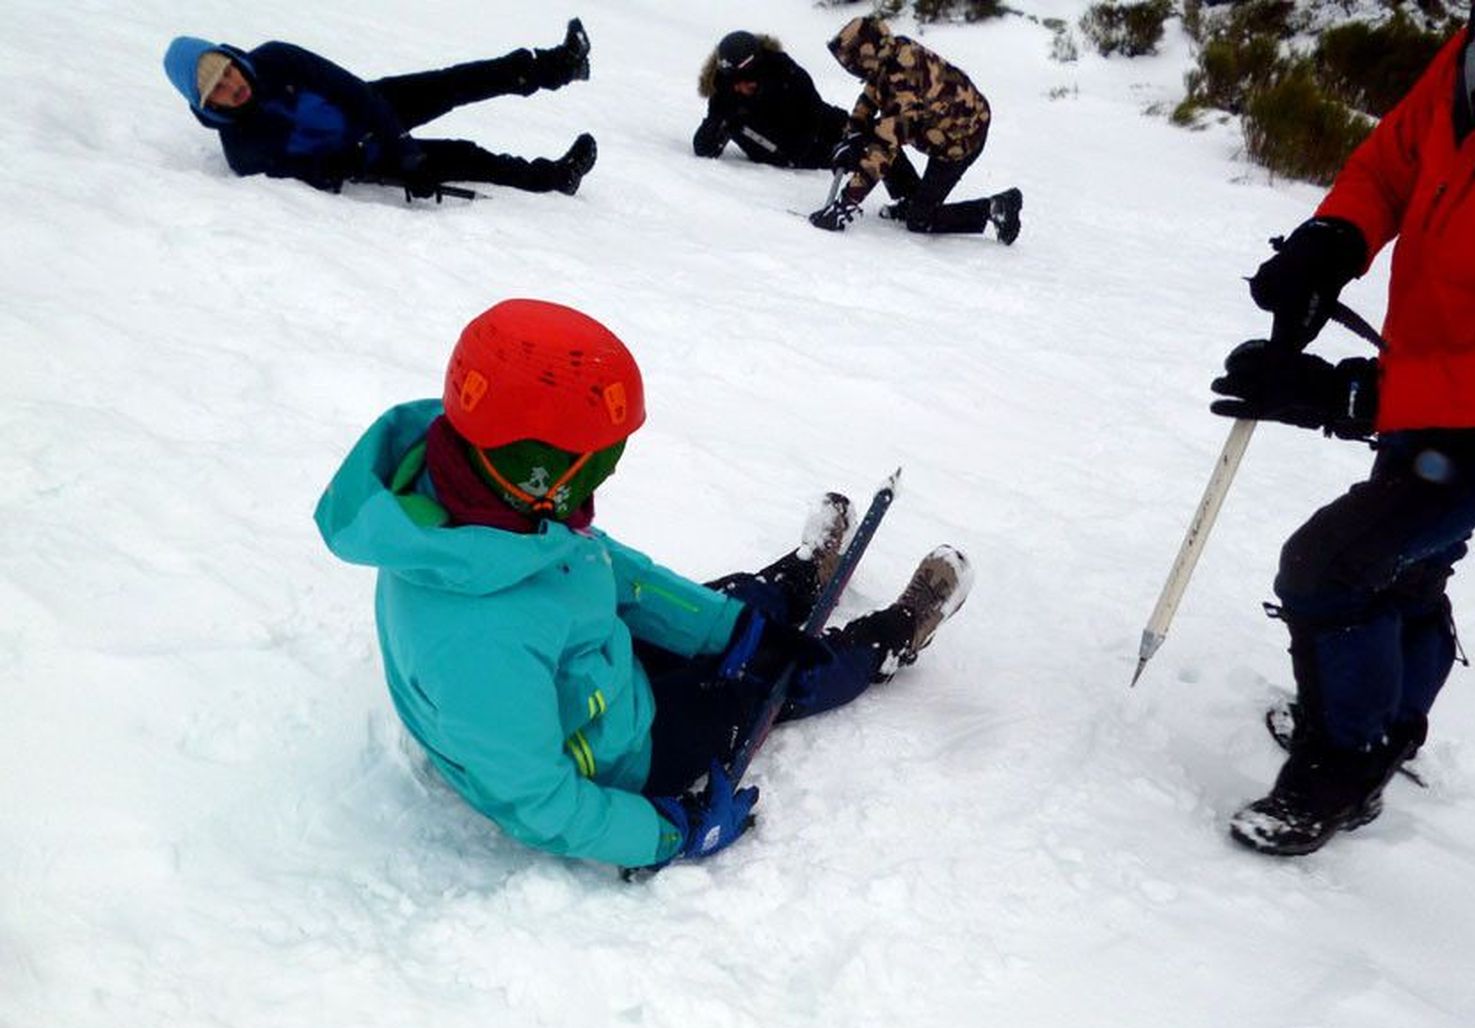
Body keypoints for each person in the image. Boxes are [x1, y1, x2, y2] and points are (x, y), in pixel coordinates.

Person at [314, 299, 975, 869]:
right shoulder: (475, 647)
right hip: (623, 755)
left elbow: (611, 573)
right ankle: (885, 640)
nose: (606, 478)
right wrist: (670, 832)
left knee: (732, 615)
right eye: (599, 460)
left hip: (589, 665)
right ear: (548, 469)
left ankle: (787, 585)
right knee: (765, 689)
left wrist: (737, 629)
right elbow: (540, 803)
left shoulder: (489, 493)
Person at [1210, 0, 1475, 856]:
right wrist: (1333, 241)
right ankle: (1387, 721)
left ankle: (1346, 763)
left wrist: (1351, 397)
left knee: (1330, 568)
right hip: (1427, 378)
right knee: (1405, 565)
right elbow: (1393, 161)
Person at [161, 21, 596, 198]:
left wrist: (400, 141)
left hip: (372, 106)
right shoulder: (244, 150)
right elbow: (318, 178)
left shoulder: (275, 59)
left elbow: (349, 89)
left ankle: (560, 66)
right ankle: (557, 178)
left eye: (228, 71)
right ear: (206, 105)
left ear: (233, 59)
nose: (232, 86)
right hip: (366, 154)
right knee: (466, 155)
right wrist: (401, 164)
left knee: (457, 82)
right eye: (217, 90)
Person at [810, 17, 1023, 245]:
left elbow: (884, 148)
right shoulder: (891, 53)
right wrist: (853, 135)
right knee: (873, 135)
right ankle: (909, 198)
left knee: (920, 220)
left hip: (961, 138)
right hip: (939, 124)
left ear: (866, 55)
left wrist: (846, 203)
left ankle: (996, 207)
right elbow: (872, 93)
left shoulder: (904, 85)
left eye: (852, 62)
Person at [692, 30, 850, 170]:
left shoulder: (785, 74)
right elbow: (704, 145)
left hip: (806, 119)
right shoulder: (725, 90)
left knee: (848, 128)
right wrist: (719, 125)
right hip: (783, 143)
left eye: (744, 80)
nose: (737, 87)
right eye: (732, 81)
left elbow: (812, 111)